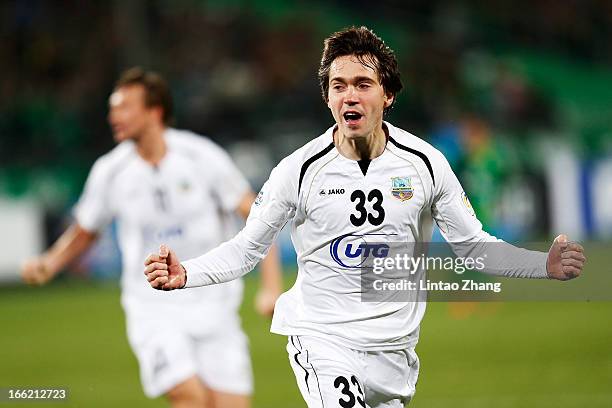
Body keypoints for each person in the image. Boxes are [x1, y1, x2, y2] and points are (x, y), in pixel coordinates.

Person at [144, 27, 586, 407]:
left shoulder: (425, 164)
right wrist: (188, 272)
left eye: (362, 83)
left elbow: (471, 247)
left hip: (395, 352)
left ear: (387, 94)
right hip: (323, 341)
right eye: (338, 85)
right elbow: (246, 249)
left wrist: (541, 265)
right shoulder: (297, 171)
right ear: (327, 97)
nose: (349, 95)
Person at [22, 67, 283, 408]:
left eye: (124, 107)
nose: (114, 115)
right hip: (153, 307)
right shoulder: (110, 170)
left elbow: (257, 215)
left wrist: (271, 286)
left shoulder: (201, 156)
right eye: (113, 108)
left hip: (215, 305)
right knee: (189, 397)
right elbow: (86, 230)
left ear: (154, 111)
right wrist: (50, 262)